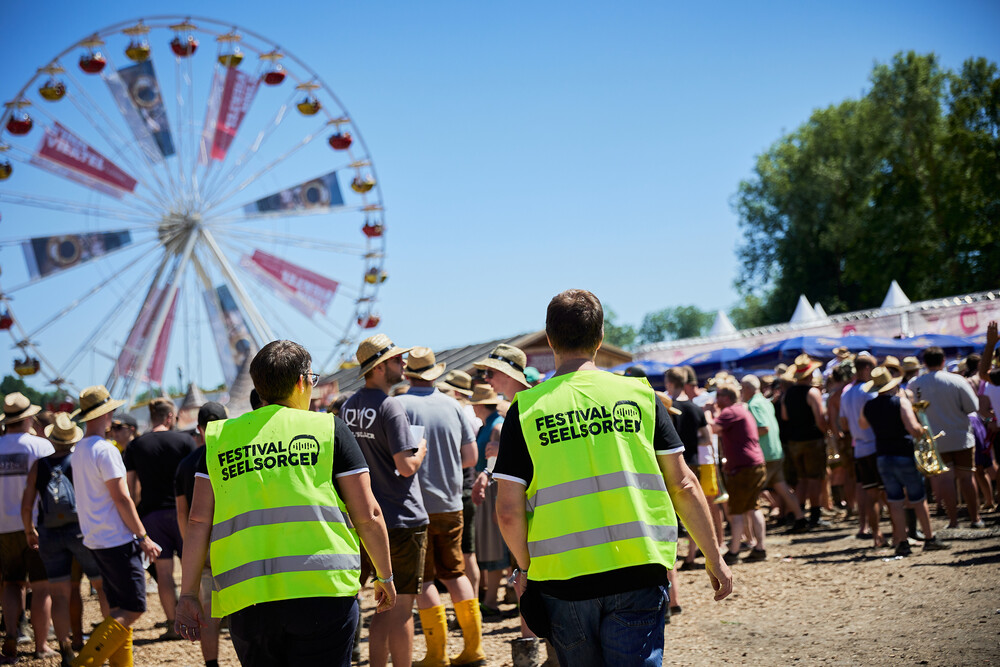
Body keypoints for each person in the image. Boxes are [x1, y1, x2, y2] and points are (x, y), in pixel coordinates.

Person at [493, 289, 732, 666]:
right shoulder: (640, 396)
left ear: (550, 339)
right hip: (637, 570)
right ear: (600, 337)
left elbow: (507, 511)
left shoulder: (525, 411)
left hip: (561, 579)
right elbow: (683, 483)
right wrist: (714, 556)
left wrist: (525, 569)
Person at [175, 340, 396, 666]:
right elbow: (368, 513)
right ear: (301, 381)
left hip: (248, 598)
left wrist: (188, 593)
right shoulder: (327, 428)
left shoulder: (220, 439)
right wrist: (385, 575)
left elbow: (197, 523)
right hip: (323, 589)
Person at [341, 334, 428, 667]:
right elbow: (406, 467)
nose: (403, 364)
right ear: (379, 366)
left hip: (364, 519)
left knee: (379, 606)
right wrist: (419, 451)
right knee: (401, 607)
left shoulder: (348, 406)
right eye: (396, 360)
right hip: (401, 518)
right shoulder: (390, 406)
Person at [395, 348, 483, 666]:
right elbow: (471, 457)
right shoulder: (454, 406)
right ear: (435, 372)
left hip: (414, 505)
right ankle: (474, 649)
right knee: (455, 572)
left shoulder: (399, 405)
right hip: (451, 501)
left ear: (407, 373)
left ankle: (436, 654)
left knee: (424, 580)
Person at [68, 386, 162, 667]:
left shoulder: (79, 449)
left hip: (96, 538)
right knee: (133, 608)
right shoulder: (105, 451)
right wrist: (143, 535)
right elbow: (122, 498)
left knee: (120, 609)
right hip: (116, 538)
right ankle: (84, 662)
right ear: (106, 413)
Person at [20, 412, 110, 666]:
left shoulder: (40, 465)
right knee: (101, 585)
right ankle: (108, 641)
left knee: (59, 593)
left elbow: (27, 506)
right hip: (81, 530)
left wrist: (30, 530)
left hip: (49, 532)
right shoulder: (79, 460)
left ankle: (66, 649)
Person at [124, 397, 196, 639]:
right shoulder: (185, 440)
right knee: (193, 568)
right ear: (169, 417)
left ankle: (173, 623)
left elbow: (132, 489)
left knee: (163, 574)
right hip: (183, 512)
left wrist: (136, 518)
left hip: (153, 516)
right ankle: (200, 618)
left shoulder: (136, 446)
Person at [859, 368, 949, 556]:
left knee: (895, 501)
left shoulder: (869, 406)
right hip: (903, 454)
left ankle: (901, 542)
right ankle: (929, 538)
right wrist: (922, 428)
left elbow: (862, 425)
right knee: (918, 498)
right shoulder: (900, 403)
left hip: (883, 456)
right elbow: (913, 429)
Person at [0, 393, 55, 662]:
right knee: (42, 586)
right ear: (28, 418)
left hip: (2, 527)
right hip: (35, 525)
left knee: (11, 582)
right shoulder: (40, 447)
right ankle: (41, 645)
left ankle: (11, 632)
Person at [173, 402, 228, 667]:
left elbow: (183, 512)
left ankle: (212, 663)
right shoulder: (231, 455)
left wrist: (191, 546)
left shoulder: (186, 464)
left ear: (199, 428)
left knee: (208, 612)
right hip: (231, 540)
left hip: (202, 546)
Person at [909, 346, 983, 529]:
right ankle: (975, 518)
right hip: (960, 435)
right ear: (943, 361)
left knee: (945, 480)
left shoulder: (915, 384)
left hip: (935, 439)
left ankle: (953, 521)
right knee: (967, 477)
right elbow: (973, 406)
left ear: (925, 363)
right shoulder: (957, 380)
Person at [742, 375, 807, 532]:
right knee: (782, 487)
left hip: (766, 454)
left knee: (751, 493)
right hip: (775, 451)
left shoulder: (754, 404)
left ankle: (750, 533)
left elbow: (763, 428)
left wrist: (744, 434)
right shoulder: (765, 401)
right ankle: (800, 518)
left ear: (747, 389)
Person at [713, 381, 768, 563]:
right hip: (755, 463)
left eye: (719, 395)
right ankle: (760, 548)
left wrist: (706, 412)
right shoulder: (742, 409)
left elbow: (712, 428)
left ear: (727, 398)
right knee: (753, 507)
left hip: (743, 468)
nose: (716, 398)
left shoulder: (730, 411)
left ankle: (734, 551)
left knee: (736, 510)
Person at [467, 384, 510, 619]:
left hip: (492, 489)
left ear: (481, 404)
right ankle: (490, 598)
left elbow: (495, 463)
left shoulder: (496, 426)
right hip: (486, 488)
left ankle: (492, 600)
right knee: (488, 544)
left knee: (494, 546)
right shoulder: (489, 424)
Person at [780, 355, 831, 527]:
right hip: (812, 440)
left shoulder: (787, 394)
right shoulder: (812, 392)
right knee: (815, 478)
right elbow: (819, 419)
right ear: (810, 375)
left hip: (795, 442)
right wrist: (827, 433)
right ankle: (815, 515)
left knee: (801, 479)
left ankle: (799, 513)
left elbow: (785, 416)